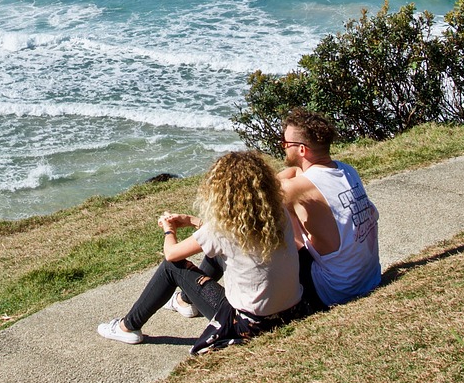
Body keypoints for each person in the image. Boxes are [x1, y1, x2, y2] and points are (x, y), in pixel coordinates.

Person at [96, 149, 304, 354]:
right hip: (291, 310)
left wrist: (169, 229)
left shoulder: (221, 229)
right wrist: (192, 221)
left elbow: (172, 254)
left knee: (171, 268)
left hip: (248, 325)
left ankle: (128, 327)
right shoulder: (276, 213)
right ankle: (185, 301)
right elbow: (232, 237)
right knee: (215, 256)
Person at [278, 107, 381, 310]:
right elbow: (297, 171)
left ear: (301, 150)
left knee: (266, 223)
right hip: (369, 278)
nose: (283, 147)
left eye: (285, 144)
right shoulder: (346, 170)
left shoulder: (296, 188)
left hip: (334, 291)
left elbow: (258, 190)